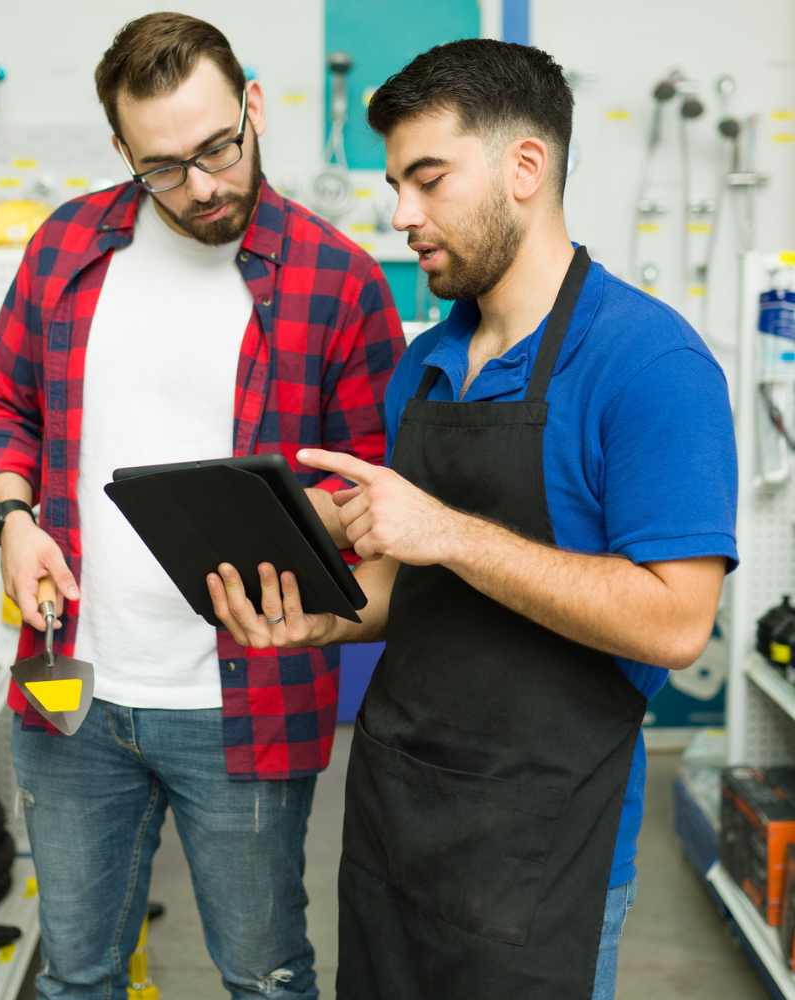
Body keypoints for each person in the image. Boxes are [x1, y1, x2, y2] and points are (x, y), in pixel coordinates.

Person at [207, 38, 738, 1000]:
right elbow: (406, 591)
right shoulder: (424, 363)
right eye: (395, 184)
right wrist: (324, 617)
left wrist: (446, 529)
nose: (401, 215)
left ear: (524, 168)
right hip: (393, 818)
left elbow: (676, 622)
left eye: (429, 179)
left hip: (543, 853)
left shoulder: (651, 365)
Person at [0, 13, 404, 999]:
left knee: (264, 974)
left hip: (243, 703)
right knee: (76, 974)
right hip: (73, 693)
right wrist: (14, 513)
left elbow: (377, 490)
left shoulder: (339, 283)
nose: (204, 186)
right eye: (165, 167)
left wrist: (310, 515)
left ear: (252, 105)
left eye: (218, 148)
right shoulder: (69, 244)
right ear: (122, 150)